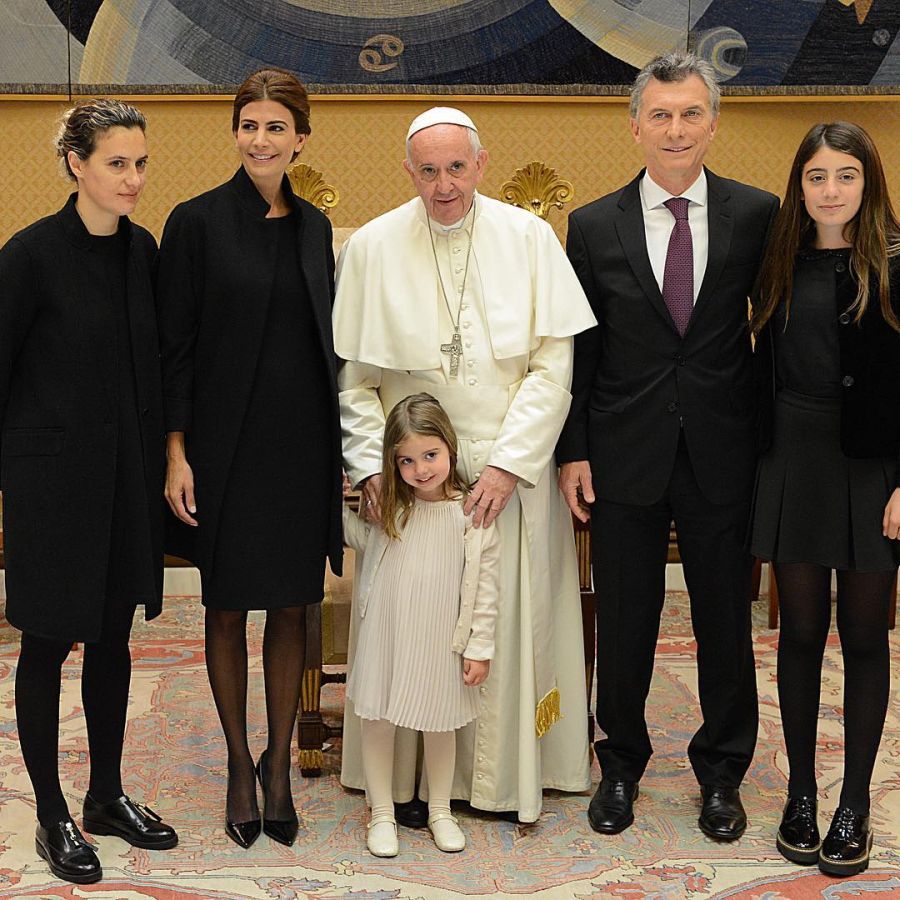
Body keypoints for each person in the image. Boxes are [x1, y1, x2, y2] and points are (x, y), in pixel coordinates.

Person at [333, 107, 596, 824]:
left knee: (502, 626)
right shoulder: (375, 247)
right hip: (413, 484)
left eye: (456, 167)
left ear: (481, 165)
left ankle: (502, 781)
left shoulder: (530, 239)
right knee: (411, 624)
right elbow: (355, 382)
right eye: (428, 169)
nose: (443, 184)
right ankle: (408, 785)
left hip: (505, 483)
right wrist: (374, 470)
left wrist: (508, 466)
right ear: (408, 171)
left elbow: (553, 366)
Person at [556, 52, 779, 840]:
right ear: (636, 125)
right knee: (625, 619)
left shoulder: (759, 215)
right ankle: (619, 766)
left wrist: (775, 452)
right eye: (661, 115)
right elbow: (578, 350)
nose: (676, 129)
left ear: (713, 123)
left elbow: (775, 338)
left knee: (725, 619)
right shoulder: (591, 225)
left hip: (725, 449)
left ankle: (722, 773)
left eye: (691, 114)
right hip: (623, 451)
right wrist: (573, 449)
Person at [156, 68, 343, 849]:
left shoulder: (316, 228)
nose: (261, 139)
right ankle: (239, 764)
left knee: (293, 607)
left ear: (301, 138)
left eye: (276, 127)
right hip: (222, 450)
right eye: (249, 125)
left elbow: (325, 346)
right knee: (228, 606)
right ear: (235, 133)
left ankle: (277, 769)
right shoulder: (194, 223)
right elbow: (175, 349)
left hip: (299, 448)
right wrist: (175, 451)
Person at [0, 99, 177, 885]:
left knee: (112, 638)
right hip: (50, 487)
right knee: (46, 644)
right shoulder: (28, 256)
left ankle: (105, 795)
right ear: (76, 163)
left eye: (140, 163)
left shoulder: (143, 253)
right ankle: (51, 813)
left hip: (126, 482)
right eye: (117, 163)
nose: (133, 179)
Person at [750, 122, 900, 877]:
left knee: (866, 639)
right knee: (800, 635)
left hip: (874, 468)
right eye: (817, 176)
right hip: (794, 461)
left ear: (868, 182)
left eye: (846, 175)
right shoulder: (779, 257)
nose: (831, 190)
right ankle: (802, 796)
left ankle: (857, 806)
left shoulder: (896, 264)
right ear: (799, 184)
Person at [341, 393, 499, 856]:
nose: (421, 469)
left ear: (449, 447)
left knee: (441, 723)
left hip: (440, 640)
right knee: (378, 720)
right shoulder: (391, 507)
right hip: (387, 633)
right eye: (407, 460)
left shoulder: (471, 513)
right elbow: (358, 541)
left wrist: (480, 645)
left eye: (430, 455)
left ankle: (440, 810)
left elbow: (485, 587)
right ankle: (383, 812)